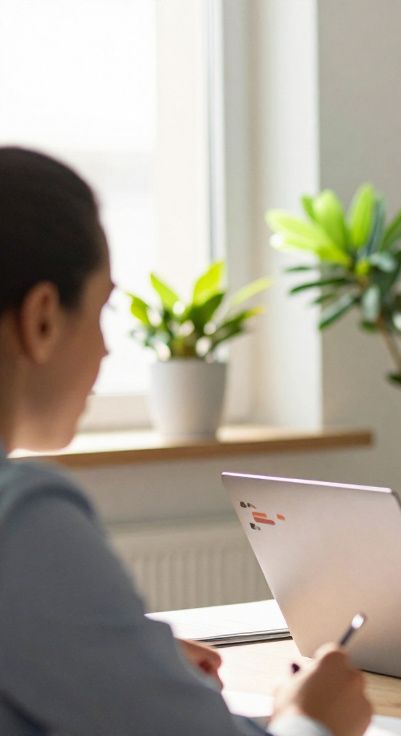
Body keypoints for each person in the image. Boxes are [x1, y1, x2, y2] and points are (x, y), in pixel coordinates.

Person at [0, 146, 373, 736]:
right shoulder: (21, 518)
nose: (104, 349)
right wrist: (311, 718)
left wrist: (127, 664)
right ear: (43, 318)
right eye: (103, 312)